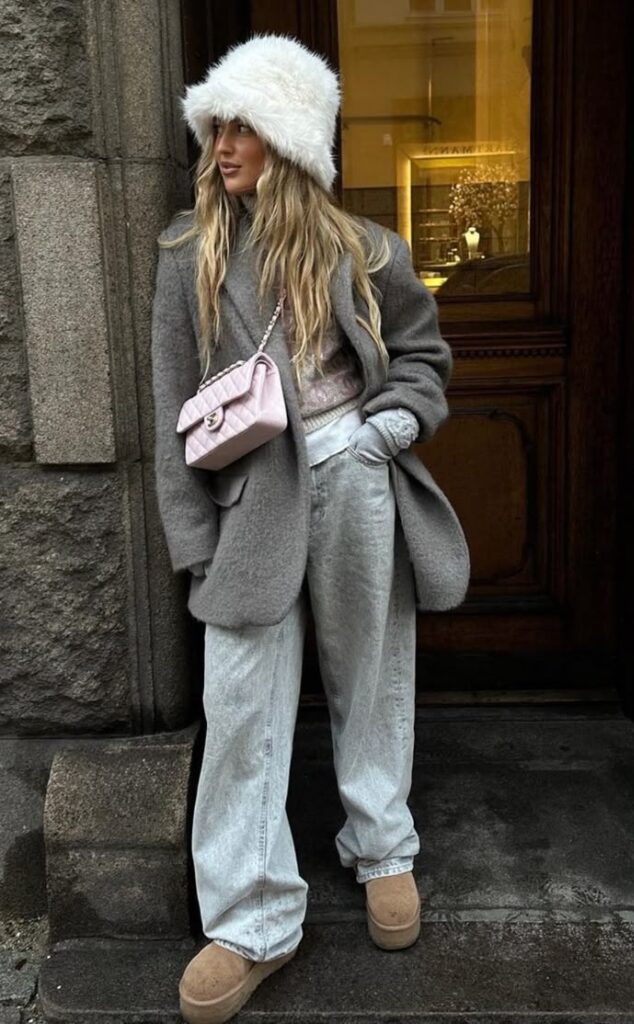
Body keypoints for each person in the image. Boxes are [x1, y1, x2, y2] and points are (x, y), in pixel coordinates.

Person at [150, 31, 470, 1024]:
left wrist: (389, 429)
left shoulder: (365, 249)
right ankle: (250, 917)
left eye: (242, 127)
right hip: (250, 499)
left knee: (369, 669)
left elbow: (420, 356)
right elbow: (169, 407)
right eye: (216, 127)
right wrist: (191, 539)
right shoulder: (187, 254)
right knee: (241, 698)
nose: (222, 146)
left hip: (353, 470)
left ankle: (381, 846)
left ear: (287, 139)